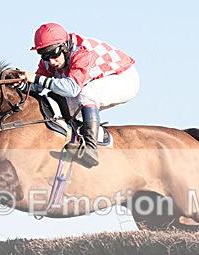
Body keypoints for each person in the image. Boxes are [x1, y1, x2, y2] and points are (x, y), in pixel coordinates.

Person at [23, 22, 139, 167]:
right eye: (45, 56)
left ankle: (90, 148)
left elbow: (72, 89)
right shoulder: (49, 61)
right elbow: (38, 85)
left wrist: (35, 78)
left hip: (124, 78)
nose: (51, 61)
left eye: (54, 53)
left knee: (85, 94)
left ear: (64, 46)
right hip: (95, 81)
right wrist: (22, 83)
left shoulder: (81, 52)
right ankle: (77, 139)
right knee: (60, 101)